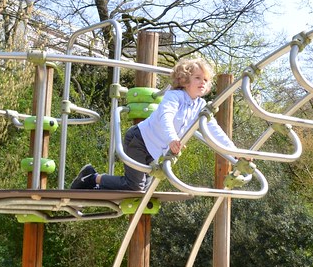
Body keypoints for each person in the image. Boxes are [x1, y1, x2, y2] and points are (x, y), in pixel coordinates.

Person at [70, 56, 238, 191]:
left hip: (155, 151)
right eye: (198, 78)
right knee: (134, 186)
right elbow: (166, 117)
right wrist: (172, 138)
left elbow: (214, 130)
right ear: (185, 79)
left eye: (206, 80)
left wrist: (235, 152)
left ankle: (97, 186)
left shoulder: (200, 106)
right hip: (139, 140)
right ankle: (92, 177)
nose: (203, 82)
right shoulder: (174, 97)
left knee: (144, 189)